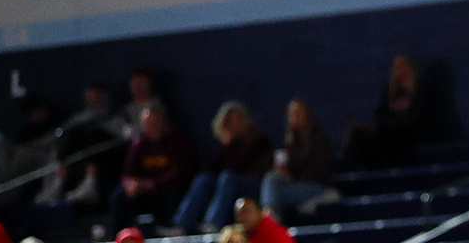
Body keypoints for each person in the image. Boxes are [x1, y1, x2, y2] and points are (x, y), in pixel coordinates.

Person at [173, 102, 274, 233]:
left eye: (237, 119)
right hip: (229, 185)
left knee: (228, 178)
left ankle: (213, 223)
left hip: (253, 185)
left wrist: (229, 145)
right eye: (230, 120)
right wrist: (226, 145)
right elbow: (213, 170)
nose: (234, 124)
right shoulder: (227, 144)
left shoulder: (259, 140)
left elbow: (239, 167)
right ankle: (182, 223)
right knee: (203, 179)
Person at [111, 103, 195, 226]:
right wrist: (130, 184)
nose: (152, 126)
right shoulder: (139, 144)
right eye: (148, 123)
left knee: (173, 193)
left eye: (155, 122)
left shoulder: (177, 141)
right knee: (119, 196)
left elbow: (180, 171)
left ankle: (172, 230)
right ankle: (120, 236)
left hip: (165, 189)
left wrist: (153, 183)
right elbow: (127, 172)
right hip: (144, 191)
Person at [261, 99, 339, 217]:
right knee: (271, 178)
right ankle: (270, 218)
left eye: (298, 112)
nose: (294, 116)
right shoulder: (291, 144)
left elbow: (318, 171)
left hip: (318, 187)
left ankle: (270, 223)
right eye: (291, 113)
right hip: (295, 186)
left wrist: (291, 177)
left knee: (276, 193)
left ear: (307, 114)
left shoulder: (319, 140)